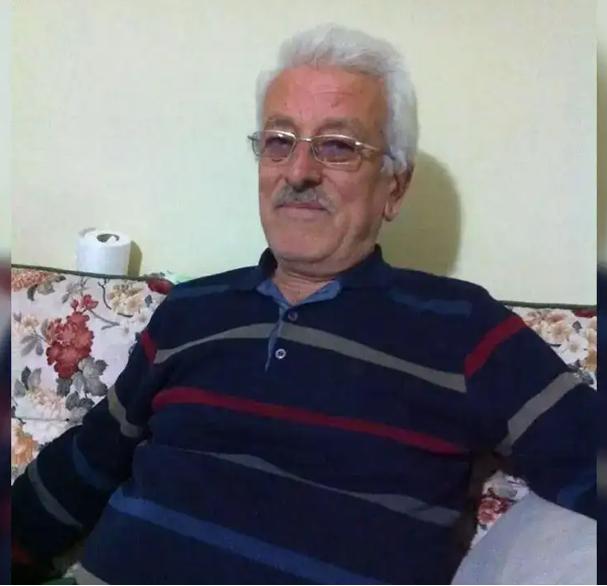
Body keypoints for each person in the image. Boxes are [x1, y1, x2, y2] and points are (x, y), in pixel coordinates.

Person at [12, 24, 595, 584]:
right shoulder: (191, 311)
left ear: (394, 187)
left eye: (338, 146)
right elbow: (83, 466)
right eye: (279, 141)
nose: (298, 171)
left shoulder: (464, 329)